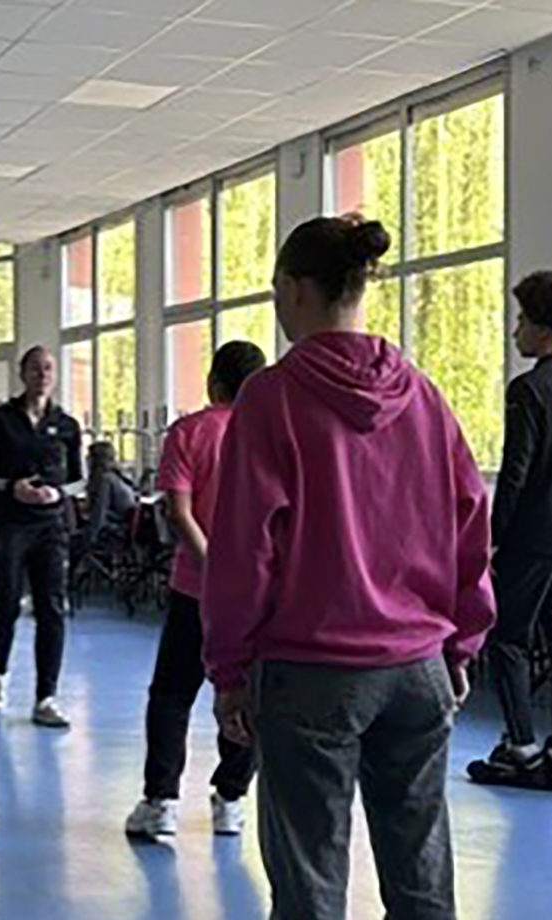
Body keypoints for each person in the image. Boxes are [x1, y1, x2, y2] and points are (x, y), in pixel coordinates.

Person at [202, 216, 496, 920]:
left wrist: (230, 671)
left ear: (297, 289)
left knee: (309, 879)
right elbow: (470, 522)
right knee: (421, 868)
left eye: (277, 291)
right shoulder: (423, 394)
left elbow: (244, 549)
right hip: (418, 668)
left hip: (313, 672)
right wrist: (461, 643)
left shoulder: (270, 398)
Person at [468, 271, 552, 793]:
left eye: (523, 320)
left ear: (545, 329)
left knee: (507, 639)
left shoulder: (528, 389)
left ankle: (520, 748)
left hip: (532, 536)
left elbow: (517, 471)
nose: (516, 331)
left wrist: (492, 535)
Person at [125, 341, 267, 841]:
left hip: (195, 589)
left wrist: (211, 566)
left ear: (214, 382)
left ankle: (160, 801)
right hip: (257, 591)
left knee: (171, 693)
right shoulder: (270, 436)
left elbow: (178, 512)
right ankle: (231, 799)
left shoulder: (188, 432)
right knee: (248, 692)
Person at [0, 346, 83, 728]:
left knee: (52, 608)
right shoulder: (2, 418)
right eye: (35, 368)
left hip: (50, 526)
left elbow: (79, 479)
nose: (42, 374)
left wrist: (58, 493)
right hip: (10, 524)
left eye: (48, 368)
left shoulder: (67, 425)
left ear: (55, 374)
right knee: (5, 604)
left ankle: (46, 697)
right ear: (22, 373)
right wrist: (10, 487)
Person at [81, 440, 136, 548]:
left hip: (114, 529)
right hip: (123, 526)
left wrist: (88, 540)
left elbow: (99, 512)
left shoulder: (104, 480)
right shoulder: (117, 477)